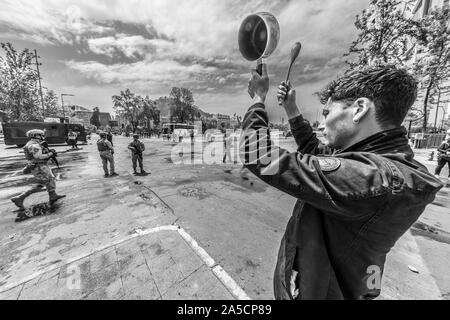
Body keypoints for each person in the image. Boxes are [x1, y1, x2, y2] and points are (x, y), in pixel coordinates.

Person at [241, 63, 443, 300]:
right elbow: (315, 152)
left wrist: (258, 99)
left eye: (327, 113)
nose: (321, 123)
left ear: (359, 109)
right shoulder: (383, 163)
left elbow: (258, 154)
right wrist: (292, 109)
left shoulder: (371, 177)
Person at [11, 130, 66, 209]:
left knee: (50, 179)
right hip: (38, 166)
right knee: (41, 183)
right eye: (41, 135)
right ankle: (20, 198)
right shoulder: (33, 145)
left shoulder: (35, 144)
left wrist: (49, 153)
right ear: (35, 135)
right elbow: (38, 156)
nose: (42, 137)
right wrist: (50, 154)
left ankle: (53, 195)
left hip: (41, 165)